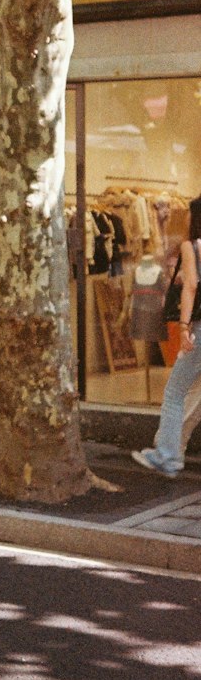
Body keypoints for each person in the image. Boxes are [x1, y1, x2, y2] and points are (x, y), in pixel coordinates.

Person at [132, 196, 201, 477]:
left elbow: (191, 287)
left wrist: (184, 327)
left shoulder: (191, 246)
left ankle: (168, 456)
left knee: (174, 392)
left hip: (200, 330)